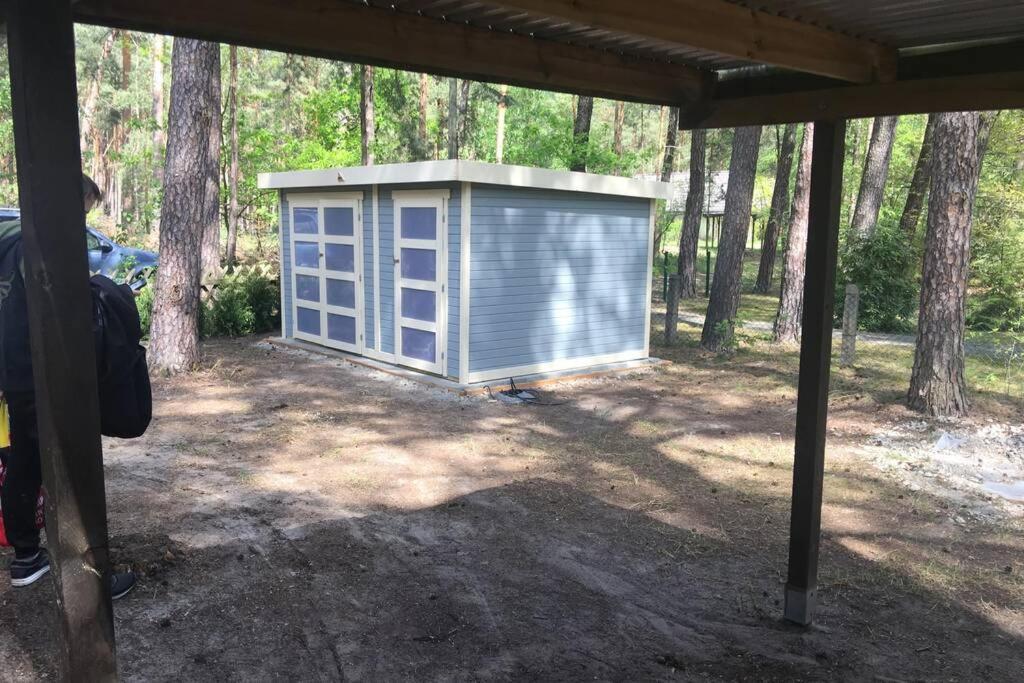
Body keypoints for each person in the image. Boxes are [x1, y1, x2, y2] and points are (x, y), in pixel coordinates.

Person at [0, 175, 135, 599]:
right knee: (74, 468)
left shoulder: (9, 235)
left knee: (24, 460)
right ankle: (91, 575)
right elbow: (62, 308)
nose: (83, 219)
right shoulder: (44, 242)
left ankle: (26, 557)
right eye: (84, 209)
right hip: (48, 374)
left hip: (13, 370)